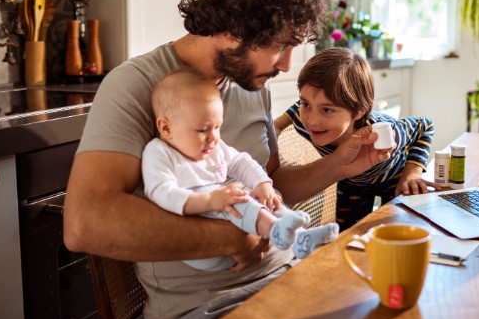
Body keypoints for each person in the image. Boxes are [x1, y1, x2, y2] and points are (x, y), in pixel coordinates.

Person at [63, 0, 391, 319]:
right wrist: (230, 239)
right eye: (279, 46)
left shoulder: (250, 85)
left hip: (287, 274)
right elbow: (86, 223)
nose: (287, 64)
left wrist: (342, 164)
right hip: (210, 309)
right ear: (234, 31)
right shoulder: (135, 85)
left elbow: (271, 184)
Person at [143, 70, 339, 272]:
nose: (213, 138)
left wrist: (262, 183)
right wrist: (211, 200)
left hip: (230, 225)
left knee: (265, 199)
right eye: (202, 130)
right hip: (204, 247)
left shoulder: (212, 147)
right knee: (236, 197)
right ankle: (275, 230)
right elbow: (160, 191)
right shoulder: (159, 152)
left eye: (217, 127)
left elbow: (239, 161)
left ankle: (300, 237)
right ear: (166, 128)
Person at [274, 47, 436, 231]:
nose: (312, 121)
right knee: (349, 234)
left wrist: (411, 174)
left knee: (395, 230)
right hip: (351, 182)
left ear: (359, 111)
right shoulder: (303, 121)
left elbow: (424, 125)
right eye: (306, 105)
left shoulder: (383, 133)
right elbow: (298, 107)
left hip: (393, 179)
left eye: (327, 110)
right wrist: (278, 125)